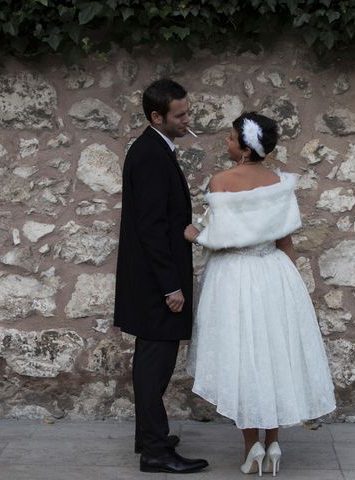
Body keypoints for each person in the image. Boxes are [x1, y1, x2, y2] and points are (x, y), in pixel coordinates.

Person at [184, 112, 336, 476]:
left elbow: (219, 238)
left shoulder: (221, 181)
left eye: (231, 138)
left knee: (243, 357)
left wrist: (193, 234)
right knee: (274, 354)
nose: (227, 142)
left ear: (245, 146)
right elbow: (286, 242)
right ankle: (273, 443)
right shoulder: (277, 183)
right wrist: (295, 287)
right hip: (274, 272)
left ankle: (251, 446)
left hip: (235, 276)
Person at [114, 78, 208, 474]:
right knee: (155, 365)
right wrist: (171, 285)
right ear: (157, 117)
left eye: (188, 112)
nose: (188, 120)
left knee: (151, 362)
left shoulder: (154, 148)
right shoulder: (151, 154)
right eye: (180, 115)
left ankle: (147, 437)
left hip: (151, 277)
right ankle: (154, 450)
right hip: (157, 283)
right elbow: (152, 227)